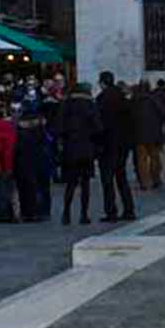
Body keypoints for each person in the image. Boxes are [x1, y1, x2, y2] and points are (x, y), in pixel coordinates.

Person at [94, 70, 136, 222]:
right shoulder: (123, 99)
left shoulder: (101, 99)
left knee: (107, 180)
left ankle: (111, 211)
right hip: (123, 144)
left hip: (107, 144)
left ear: (102, 83)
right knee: (121, 176)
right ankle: (129, 209)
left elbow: (98, 124)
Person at [58, 82, 101, 224]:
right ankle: (84, 214)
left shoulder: (66, 105)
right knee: (85, 183)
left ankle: (66, 213)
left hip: (70, 148)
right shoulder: (90, 105)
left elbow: (60, 127)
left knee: (70, 183)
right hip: (86, 148)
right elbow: (97, 127)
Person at [14, 97, 51, 222]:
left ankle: (29, 212)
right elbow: (47, 140)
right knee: (43, 185)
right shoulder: (40, 124)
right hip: (41, 157)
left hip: (24, 160)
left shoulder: (19, 126)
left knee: (26, 187)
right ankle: (43, 211)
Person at [130, 80, 164, 190]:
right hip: (154, 134)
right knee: (154, 157)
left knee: (141, 159)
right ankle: (156, 179)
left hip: (138, 134)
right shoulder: (154, 99)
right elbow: (163, 113)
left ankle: (144, 182)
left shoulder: (134, 101)